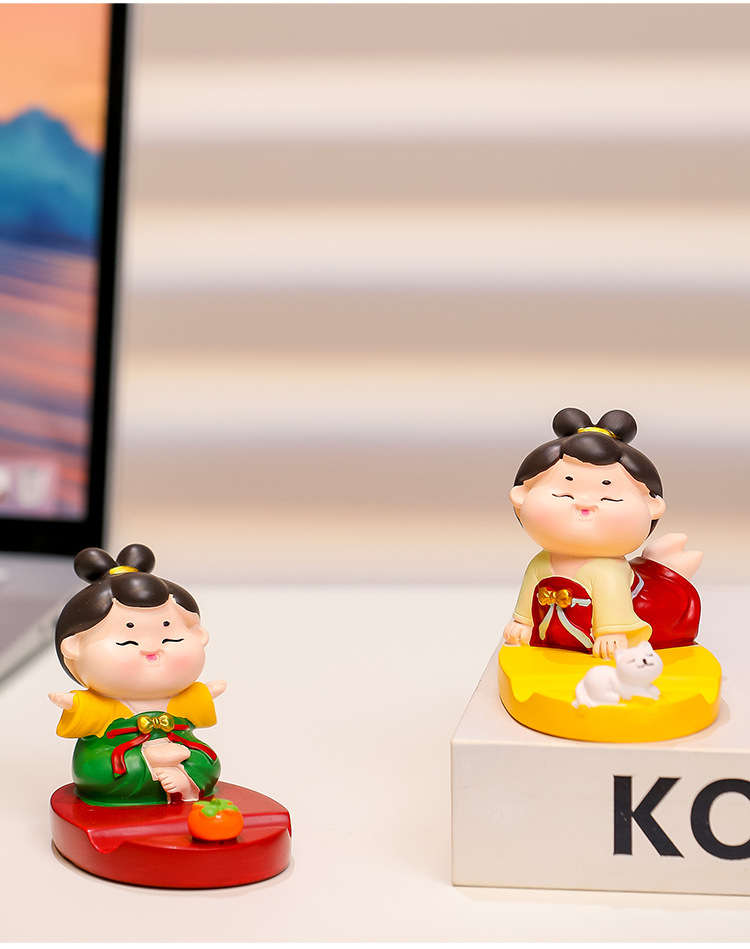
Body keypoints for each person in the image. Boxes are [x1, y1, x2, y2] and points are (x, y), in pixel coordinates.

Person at [503, 408, 701, 660]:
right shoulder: (540, 562)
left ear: (651, 506)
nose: (585, 504)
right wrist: (523, 622)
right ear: (522, 496)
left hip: (636, 616)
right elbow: (528, 599)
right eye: (565, 493)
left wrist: (611, 633)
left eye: (608, 497)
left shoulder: (608, 570)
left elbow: (613, 606)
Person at [49, 544, 224, 806]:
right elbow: (85, 711)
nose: (151, 649)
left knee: (208, 762)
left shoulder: (181, 696)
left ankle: (186, 785)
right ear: (74, 647)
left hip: (177, 742)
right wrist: (73, 703)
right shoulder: (100, 701)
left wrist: (205, 693)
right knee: (98, 772)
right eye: (128, 642)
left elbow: (194, 704)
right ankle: (156, 770)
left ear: (198, 635)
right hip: (116, 750)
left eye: (170, 638)